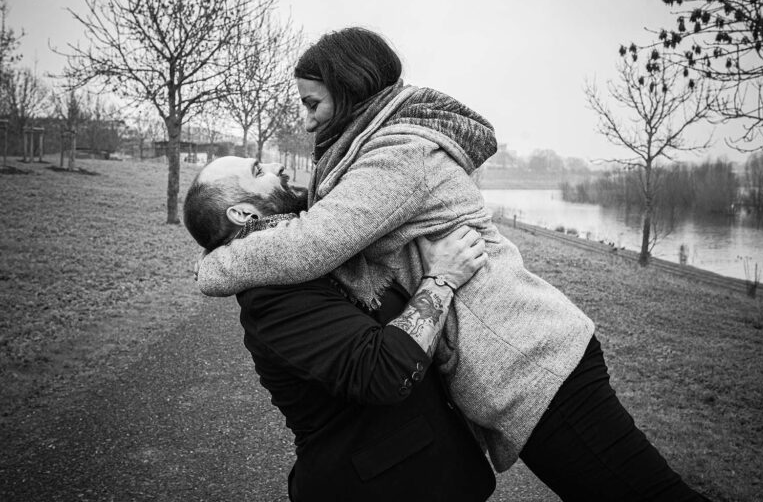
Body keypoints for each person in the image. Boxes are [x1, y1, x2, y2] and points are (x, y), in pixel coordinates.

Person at [196, 28, 710, 501]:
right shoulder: (371, 152)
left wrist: (217, 264)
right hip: (517, 369)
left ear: (348, 90)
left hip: (532, 362)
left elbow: (316, 240)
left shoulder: (399, 154)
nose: (306, 121)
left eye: (313, 104)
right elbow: (315, 221)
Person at [183, 157, 496, 502]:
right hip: (381, 487)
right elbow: (384, 371)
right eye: (259, 171)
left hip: (439, 474)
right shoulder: (271, 296)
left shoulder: (313, 249)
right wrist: (442, 279)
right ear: (244, 215)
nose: (278, 166)